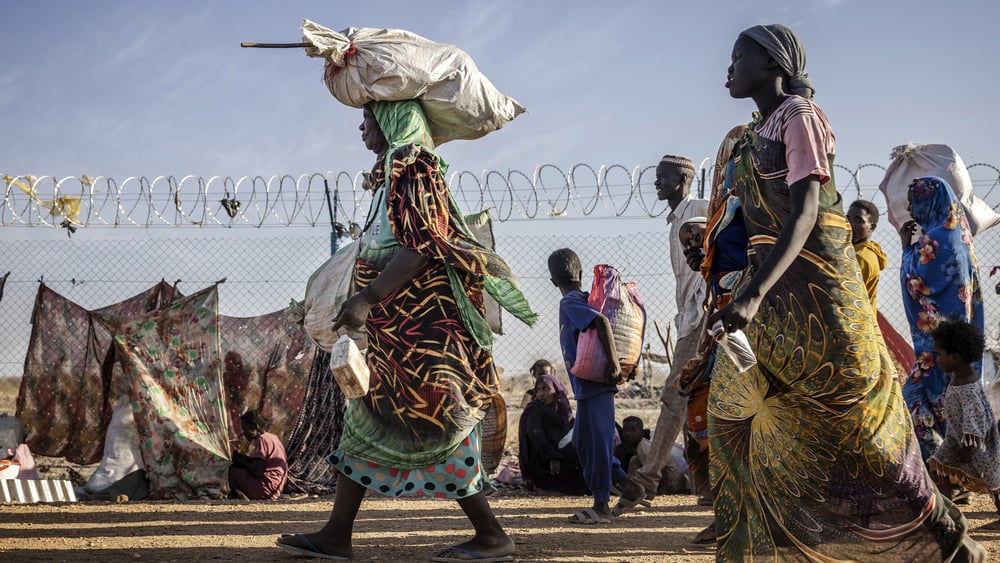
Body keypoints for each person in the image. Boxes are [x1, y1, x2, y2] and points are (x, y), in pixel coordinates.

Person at [705, 24, 984, 560]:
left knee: (859, 432)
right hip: (769, 295)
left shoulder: (801, 119)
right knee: (734, 418)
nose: (729, 66)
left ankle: (946, 535)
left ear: (773, 63)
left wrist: (752, 294)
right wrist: (734, 284)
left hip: (817, 297)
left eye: (739, 56)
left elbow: (807, 210)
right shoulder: (748, 134)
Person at [276, 100, 536, 562]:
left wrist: (367, 297)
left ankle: (493, 536)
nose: (361, 128)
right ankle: (337, 534)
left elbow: (422, 246)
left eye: (368, 119)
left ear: (393, 121)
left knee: (438, 421)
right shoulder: (391, 174)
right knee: (367, 418)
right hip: (394, 331)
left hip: (425, 332)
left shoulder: (416, 167)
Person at [619, 155, 708, 514]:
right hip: (689, 315)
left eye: (663, 178)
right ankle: (709, 487)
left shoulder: (698, 210)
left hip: (704, 312)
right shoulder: (674, 222)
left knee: (676, 393)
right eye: (656, 177)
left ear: (684, 179)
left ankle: (647, 478)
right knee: (697, 403)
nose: (656, 184)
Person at [548, 248, 644, 524]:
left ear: (553, 280)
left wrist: (614, 363)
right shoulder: (579, 298)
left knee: (598, 445)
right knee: (583, 441)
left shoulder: (569, 302)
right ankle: (629, 487)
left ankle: (601, 505)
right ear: (579, 273)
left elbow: (600, 321)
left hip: (593, 387)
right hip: (589, 388)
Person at [900, 176, 985, 463]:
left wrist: (906, 249)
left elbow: (916, 281)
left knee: (916, 399)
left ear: (929, 200)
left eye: (913, 202)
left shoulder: (936, 239)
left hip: (939, 348)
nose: (910, 210)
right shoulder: (959, 236)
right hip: (954, 347)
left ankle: (947, 472)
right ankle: (949, 473)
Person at [927, 319, 1000, 514]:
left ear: (955, 357)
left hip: (977, 447)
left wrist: (967, 450)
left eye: (939, 354)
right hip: (956, 440)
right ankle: (944, 510)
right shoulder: (959, 379)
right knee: (937, 466)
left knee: (994, 482)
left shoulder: (967, 387)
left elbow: (975, 421)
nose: (937, 359)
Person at [517, 373, 588, 495]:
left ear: (556, 390)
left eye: (545, 389)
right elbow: (537, 439)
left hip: (565, 461)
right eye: (537, 390)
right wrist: (552, 457)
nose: (540, 394)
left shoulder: (563, 410)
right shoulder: (534, 411)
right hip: (544, 463)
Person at [228, 410, 288, 501]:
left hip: (265, 488)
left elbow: (257, 470)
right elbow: (262, 464)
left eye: (245, 429)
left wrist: (241, 461)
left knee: (232, 471)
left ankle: (241, 497)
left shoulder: (261, 439)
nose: (244, 433)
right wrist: (244, 459)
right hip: (275, 489)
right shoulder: (273, 437)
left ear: (255, 427)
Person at [847, 199, 887, 310]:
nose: (850, 224)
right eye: (848, 219)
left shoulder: (861, 257)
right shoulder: (855, 251)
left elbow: (846, 297)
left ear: (872, 227)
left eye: (858, 221)